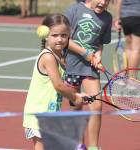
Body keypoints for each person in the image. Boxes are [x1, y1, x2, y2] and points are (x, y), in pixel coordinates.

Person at [23, 13, 90, 150]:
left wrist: (79, 96)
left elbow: (61, 84)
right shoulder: (48, 57)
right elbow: (58, 86)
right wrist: (75, 97)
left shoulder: (60, 56)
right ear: (46, 35)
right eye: (55, 35)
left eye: (64, 35)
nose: (60, 39)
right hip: (38, 115)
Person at [64, 0, 112, 150]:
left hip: (89, 69)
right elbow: (66, 39)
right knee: (76, 107)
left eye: (108, 0)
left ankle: (93, 147)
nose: (103, 2)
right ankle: (79, 145)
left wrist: (97, 56)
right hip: (71, 66)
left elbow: (100, 43)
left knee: (96, 105)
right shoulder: (73, 10)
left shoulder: (107, 18)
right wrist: (85, 53)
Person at [114, 0, 140, 70]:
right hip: (137, 16)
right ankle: (131, 77)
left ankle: (126, 76)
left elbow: (118, 1)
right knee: (136, 49)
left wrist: (117, 19)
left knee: (129, 47)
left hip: (125, 18)